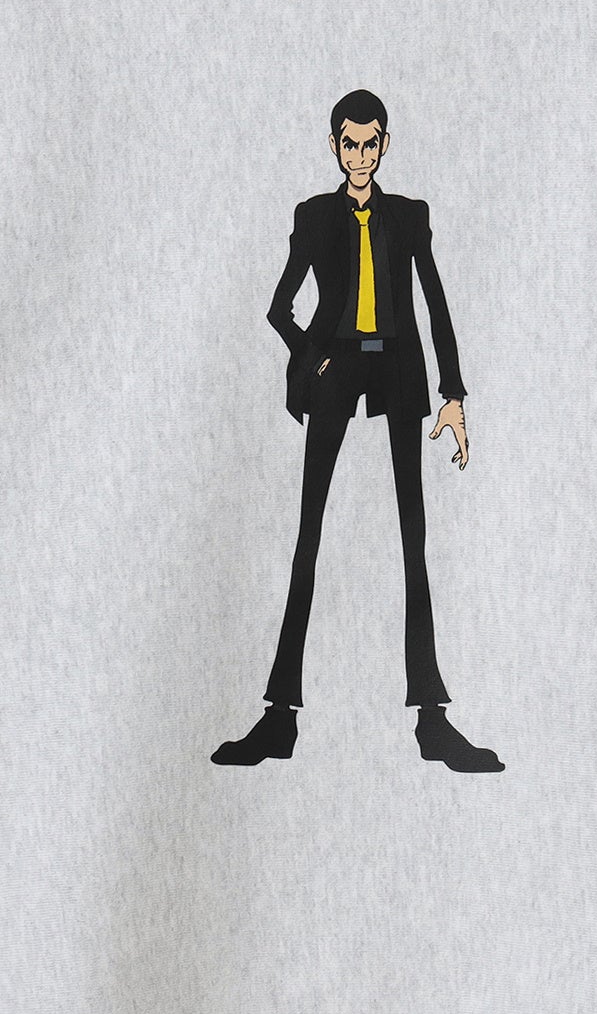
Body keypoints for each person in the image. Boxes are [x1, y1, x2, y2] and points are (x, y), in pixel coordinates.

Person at [213, 92, 503, 772]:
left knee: (413, 539)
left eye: (371, 144)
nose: (361, 156)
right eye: (351, 144)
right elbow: (279, 307)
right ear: (335, 146)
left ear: (385, 145)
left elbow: (435, 302)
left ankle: (432, 719)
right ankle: (279, 717)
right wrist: (315, 359)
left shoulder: (409, 216)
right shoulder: (314, 216)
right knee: (309, 533)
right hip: (338, 369)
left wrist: (453, 394)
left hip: (399, 369)